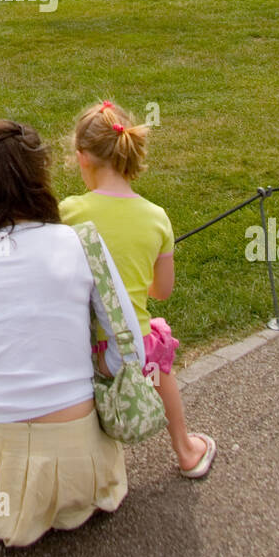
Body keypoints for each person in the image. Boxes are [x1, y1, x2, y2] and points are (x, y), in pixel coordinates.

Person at [0, 117, 144, 547]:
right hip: (79, 462)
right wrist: (97, 366)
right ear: (39, 178)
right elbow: (131, 343)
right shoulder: (80, 241)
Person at [59, 100, 216, 478]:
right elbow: (163, 290)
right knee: (161, 363)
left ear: (82, 158)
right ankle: (185, 449)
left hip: (79, 349)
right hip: (134, 350)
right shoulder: (157, 218)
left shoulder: (69, 212)